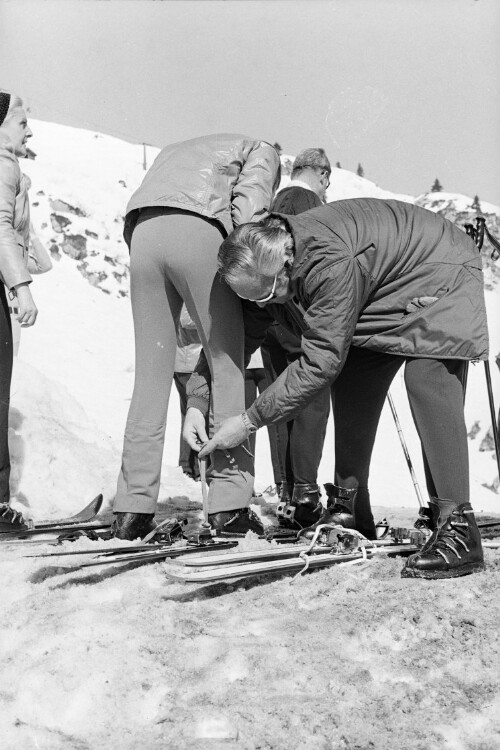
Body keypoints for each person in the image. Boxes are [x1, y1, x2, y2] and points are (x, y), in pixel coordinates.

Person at [184, 197, 489, 579]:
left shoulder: (328, 265)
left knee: (426, 379)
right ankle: (352, 508)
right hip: (382, 287)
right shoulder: (269, 269)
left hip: (440, 267)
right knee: (355, 377)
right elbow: (234, 340)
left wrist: (248, 421)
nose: (258, 306)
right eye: (248, 299)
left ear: (283, 269)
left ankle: (458, 528)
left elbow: (319, 362)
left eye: (261, 297)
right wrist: (198, 400)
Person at [112, 134, 280, 540]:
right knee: (227, 363)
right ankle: (229, 504)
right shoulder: (263, 147)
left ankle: (132, 508)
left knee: (150, 377)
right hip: (200, 232)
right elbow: (251, 211)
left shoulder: (176, 149)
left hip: (144, 235)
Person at [261, 148, 332, 529]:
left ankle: (287, 492)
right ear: (321, 175)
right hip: (299, 315)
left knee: (279, 400)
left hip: (270, 315)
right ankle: (305, 494)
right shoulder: (311, 204)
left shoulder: (274, 202)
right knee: (311, 397)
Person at [0, 90, 38, 530]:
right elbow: (1, 227)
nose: (28, 131)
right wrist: (22, 286)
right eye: (22, 122)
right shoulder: (4, 162)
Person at [9, 222, 52, 356]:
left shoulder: (16, 259)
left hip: (13, 318)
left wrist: (32, 235)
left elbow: (45, 265)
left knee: (11, 366)